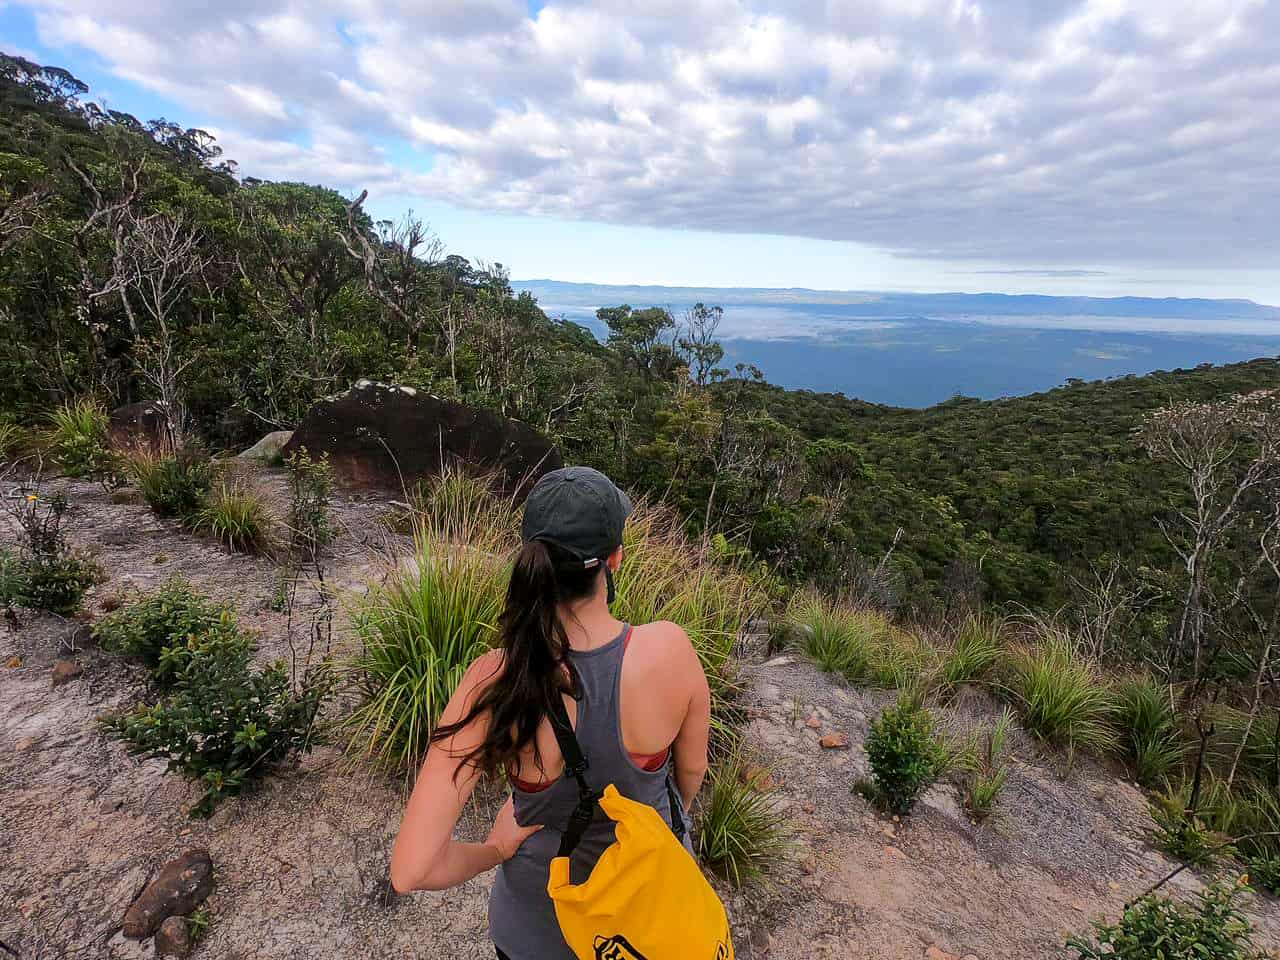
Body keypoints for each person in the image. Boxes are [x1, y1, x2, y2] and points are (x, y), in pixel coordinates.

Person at [389, 466, 712, 960]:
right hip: (647, 924)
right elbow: (690, 772)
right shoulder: (671, 651)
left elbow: (411, 870)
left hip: (537, 932)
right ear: (614, 560)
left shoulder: (494, 680)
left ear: (531, 561)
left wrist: (495, 850)